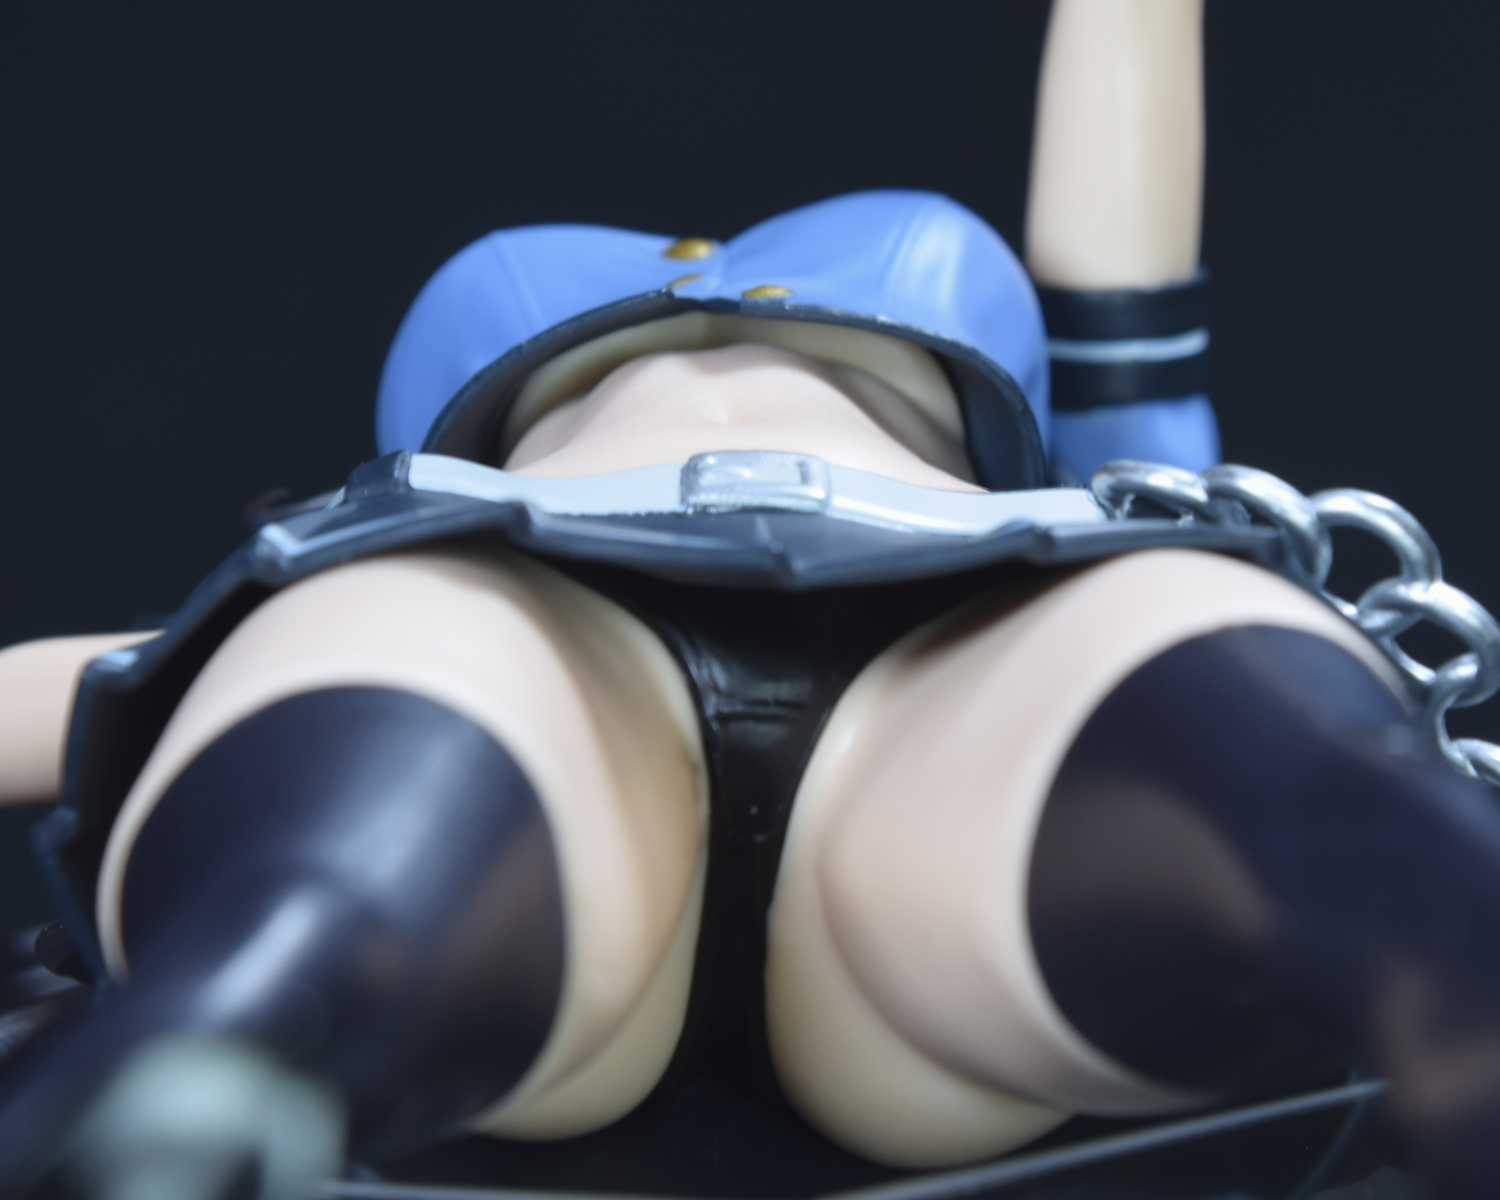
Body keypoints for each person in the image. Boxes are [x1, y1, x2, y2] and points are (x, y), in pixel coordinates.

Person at [2, 3, 1499, 1198]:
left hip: (958, 632)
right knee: (339, 832)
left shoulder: (1108, 479)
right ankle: (187, 1079)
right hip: (539, 592)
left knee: (1310, 781)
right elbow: (134, 673)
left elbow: (1125, 290)